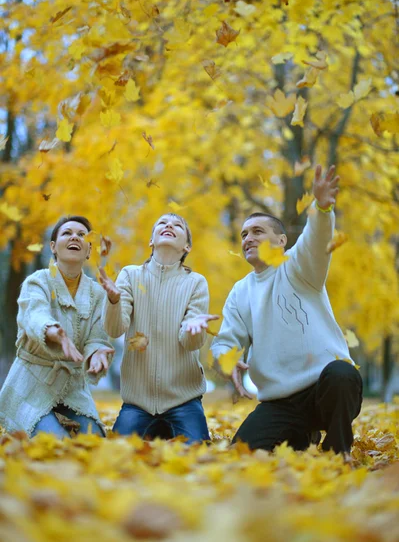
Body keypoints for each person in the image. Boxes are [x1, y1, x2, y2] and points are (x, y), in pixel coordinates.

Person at [211, 165, 363, 461]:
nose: (248, 239)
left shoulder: (299, 266)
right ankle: (301, 435)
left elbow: (316, 241)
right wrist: (226, 361)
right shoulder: (240, 292)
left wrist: (321, 207)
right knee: (240, 454)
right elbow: (225, 341)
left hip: (326, 387)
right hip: (280, 402)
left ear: (281, 241)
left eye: (257, 231)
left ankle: (337, 450)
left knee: (342, 373)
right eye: (244, 234)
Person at [99, 212, 219, 444]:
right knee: (117, 455)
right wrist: (113, 301)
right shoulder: (130, 275)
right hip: (138, 404)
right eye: (162, 223)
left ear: (187, 246)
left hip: (184, 402)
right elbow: (115, 329)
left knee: (198, 454)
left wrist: (194, 329)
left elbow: (191, 343)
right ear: (151, 241)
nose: (169, 225)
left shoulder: (195, 282)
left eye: (177, 225)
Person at [0, 216, 114, 438]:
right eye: (67, 233)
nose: (75, 237)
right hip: (31, 385)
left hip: (72, 388)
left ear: (89, 250)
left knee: (95, 440)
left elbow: (97, 338)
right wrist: (53, 332)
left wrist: (97, 354)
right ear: (53, 247)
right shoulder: (37, 281)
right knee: (55, 441)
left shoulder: (98, 294)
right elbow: (34, 315)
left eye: (82, 235)